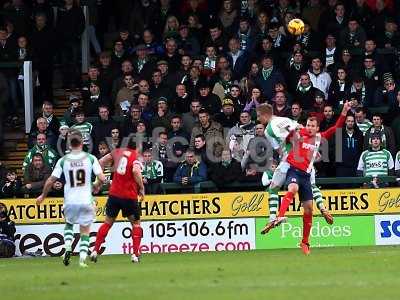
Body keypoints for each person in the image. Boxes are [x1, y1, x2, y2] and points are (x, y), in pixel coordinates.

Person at [261, 102, 351, 255]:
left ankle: (305, 242)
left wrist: (343, 112)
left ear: (317, 128)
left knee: (309, 209)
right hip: (293, 171)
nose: (309, 127)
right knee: (292, 188)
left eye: (312, 125)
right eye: (308, 125)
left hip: (306, 175)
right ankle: (279, 216)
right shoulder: (299, 132)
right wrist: (289, 132)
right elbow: (287, 134)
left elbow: (336, 128)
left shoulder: (319, 137)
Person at [255, 103, 336, 227]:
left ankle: (272, 218)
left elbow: (281, 148)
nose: (258, 119)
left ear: (265, 115)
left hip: (289, 161)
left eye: (259, 116)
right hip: (306, 159)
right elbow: (302, 130)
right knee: (312, 185)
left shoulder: (269, 130)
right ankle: (322, 208)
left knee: (273, 188)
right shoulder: (286, 119)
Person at [36, 130, 105, 267]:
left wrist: (43, 195)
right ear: (82, 142)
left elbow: (50, 180)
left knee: (69, 225)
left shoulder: (63, 160)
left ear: (69, 144)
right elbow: (102, 178)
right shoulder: (90, 158)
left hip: (70, 200)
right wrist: (96, 185)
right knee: (85, 229)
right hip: (86, 200)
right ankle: (82, 260)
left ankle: (68, 247)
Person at [91, 137, 144, 263]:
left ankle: (95, 250)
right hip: (129, 196)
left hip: (114, 194)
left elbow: (100, 162)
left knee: (107, 223)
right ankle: (135, 254)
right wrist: (141, 187)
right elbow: (136, 171)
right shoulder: (135, 156)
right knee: (136, 224)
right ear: (136, 146)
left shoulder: (117, 152)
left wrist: (99, 180)